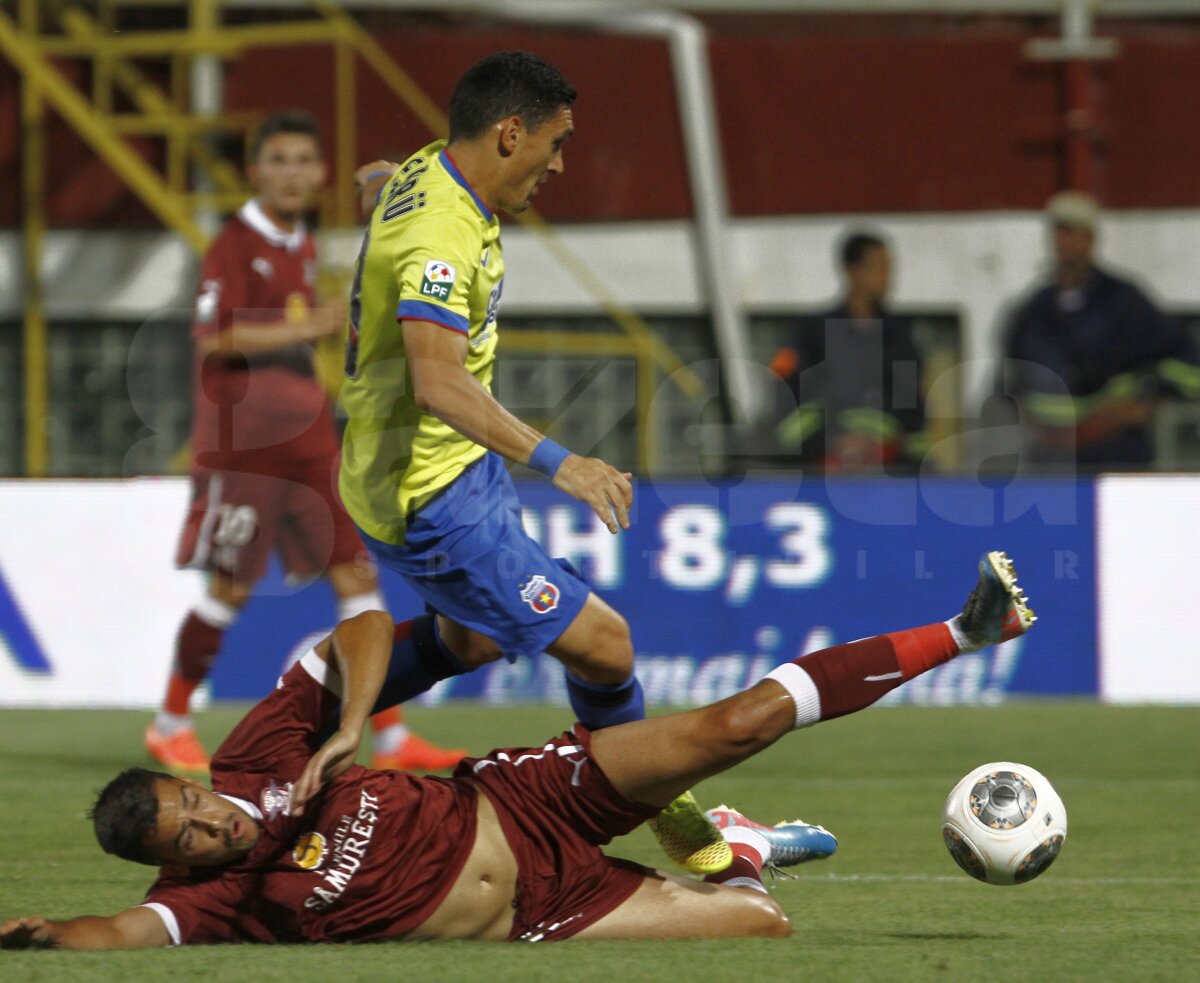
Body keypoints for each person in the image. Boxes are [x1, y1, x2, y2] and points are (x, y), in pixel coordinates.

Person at [0, 551, 1033, 949]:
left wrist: (349, 726)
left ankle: (962, 628)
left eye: (199, 804)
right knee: (764, 927)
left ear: (192, 780)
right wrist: (46, 935)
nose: (219, 824)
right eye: (200, 837)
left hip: (526, 802)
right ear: (182, 860)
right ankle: (735, 847)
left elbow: (359, 630)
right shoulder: (214, 900)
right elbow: (121, 934)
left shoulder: (254, 756)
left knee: (733, 723)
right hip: (540, 913)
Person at [335, 51, 726, 873]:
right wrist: (565, 462)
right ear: (510, 132)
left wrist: (378, 188)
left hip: (444, 470)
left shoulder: (430, 172)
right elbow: (437, 382)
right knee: (607, 646)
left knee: (474, 641)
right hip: (429, 493)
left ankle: (307, 718)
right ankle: (664, 816)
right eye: (555, 143)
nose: (559, 163)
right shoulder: (440, 232)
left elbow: (386, 180)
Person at [151, 109, 464, 777]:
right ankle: (170, 721)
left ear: (320, 174)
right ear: (255, 171)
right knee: (230, 587)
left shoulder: (301, 241)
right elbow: (215, 336)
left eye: (303, 162)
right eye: (278, 161)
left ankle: (393, 736)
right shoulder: (235, 243)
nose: (292, 174)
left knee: (357, 578)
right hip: (246, 447)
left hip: (310, 442)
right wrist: (311, 323)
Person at [1002, 190, 1200, 470]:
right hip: (1050, 461)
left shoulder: (1125, 303)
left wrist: (1146, 401)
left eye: (1074, 231)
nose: (1065, 241)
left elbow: (1188, 366)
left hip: (1116, 455)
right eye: (1059, 231)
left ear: (1091, 238)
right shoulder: (1034, 311)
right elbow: (1009, 382)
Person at [772, 231, 930, 473]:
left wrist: (883, 446)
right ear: (852, 271)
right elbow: (787, 402)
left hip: (887, 469)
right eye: (878, 266)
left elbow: (911, 413)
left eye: (889, 267)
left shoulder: (899, 336)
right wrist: (831, 441)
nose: (888, 276)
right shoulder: (812, 332)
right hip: (818, 469)